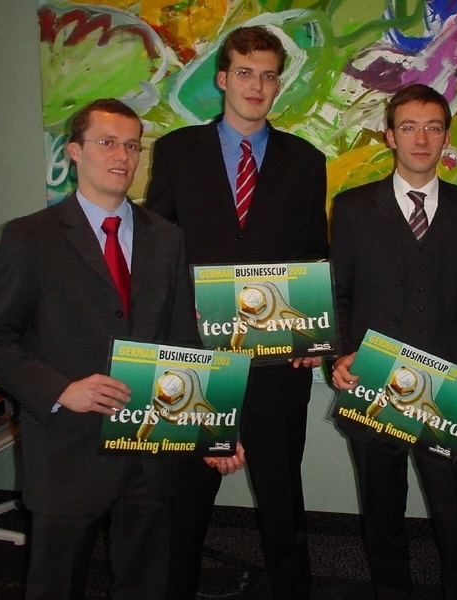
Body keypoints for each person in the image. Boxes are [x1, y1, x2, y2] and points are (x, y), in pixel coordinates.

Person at [0, 99, 201, 600]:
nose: (122, 155)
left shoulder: (168, 238)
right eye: (107, 142)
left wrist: (214, 424)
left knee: (147, 584)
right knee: (56, 585)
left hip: (150, 445)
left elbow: (184, 339)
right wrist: (60, 390)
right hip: (67, 446)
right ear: (74, 151)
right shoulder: (30, 237)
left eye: (132, 145)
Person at [145, 25, 328, 600]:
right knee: (186, 500)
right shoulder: (177, 152)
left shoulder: (306, 160)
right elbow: (158, 251)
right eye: (245, 72)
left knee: (282, 497)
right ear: (223, 79)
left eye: (268, 75)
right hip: (196, 359)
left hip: (277, 362)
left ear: (278, 86)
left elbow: (314, 257)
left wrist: (315, 340)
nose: (257, 85)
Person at [329, 84, 457, 600]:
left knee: (455, 517)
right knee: (381, 514)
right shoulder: (353, 207)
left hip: (448, 385)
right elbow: (340, 293)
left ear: (446, 136)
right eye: (409, 127)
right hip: (374, 383)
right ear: (390, 135)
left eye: (432, 127)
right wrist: (339, 355)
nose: (421, 138)